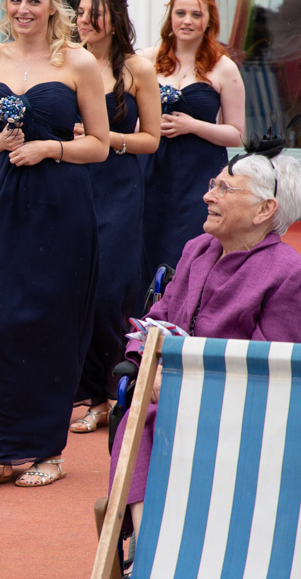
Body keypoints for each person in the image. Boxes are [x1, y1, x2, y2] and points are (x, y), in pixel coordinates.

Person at [0, 0, 109, 491]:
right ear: (5, 6)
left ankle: (43, 448)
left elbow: (100, 145)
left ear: (52, 7)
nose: (23, 10)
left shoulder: (80, 64)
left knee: (48, 325)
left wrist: (50, 147)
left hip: (59, 205)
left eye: (34, 1)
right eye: (15, 0)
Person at [110, 142, 301, 535]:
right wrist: (147, 363)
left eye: (225, 189)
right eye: (214, 183)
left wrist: (177, 384)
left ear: (265, 210)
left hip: (236, 409)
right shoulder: (199, 249)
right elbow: (159, 318)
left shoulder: (287, 272)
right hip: (171, 395)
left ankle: (152, 553)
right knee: (140, 416)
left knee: (147, 422)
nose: (208, 195)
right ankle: (148, 551)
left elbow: (267, 364)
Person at [69, 0, 161, 433]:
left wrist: (106, 139)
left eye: (93, 13)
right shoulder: (65, 62)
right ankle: (91, 395)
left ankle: (111, 389)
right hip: (74, 182)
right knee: (74, 286)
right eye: (80, 11)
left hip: (119, 186)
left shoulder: (138, 69)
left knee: (109, 289)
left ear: (115, 18)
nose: (83, 19)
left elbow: (152, 139)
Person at [140, 0, 245, 281]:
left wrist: (192, 126)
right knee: (146, 249)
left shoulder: (223, 68)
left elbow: (237, 134)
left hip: (199, 176)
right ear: (170, 17)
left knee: (189, 250)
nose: (187, 21)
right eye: (180, 13)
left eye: (196, 15)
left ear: (209, 20)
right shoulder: (147, 59)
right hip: (151, 172)